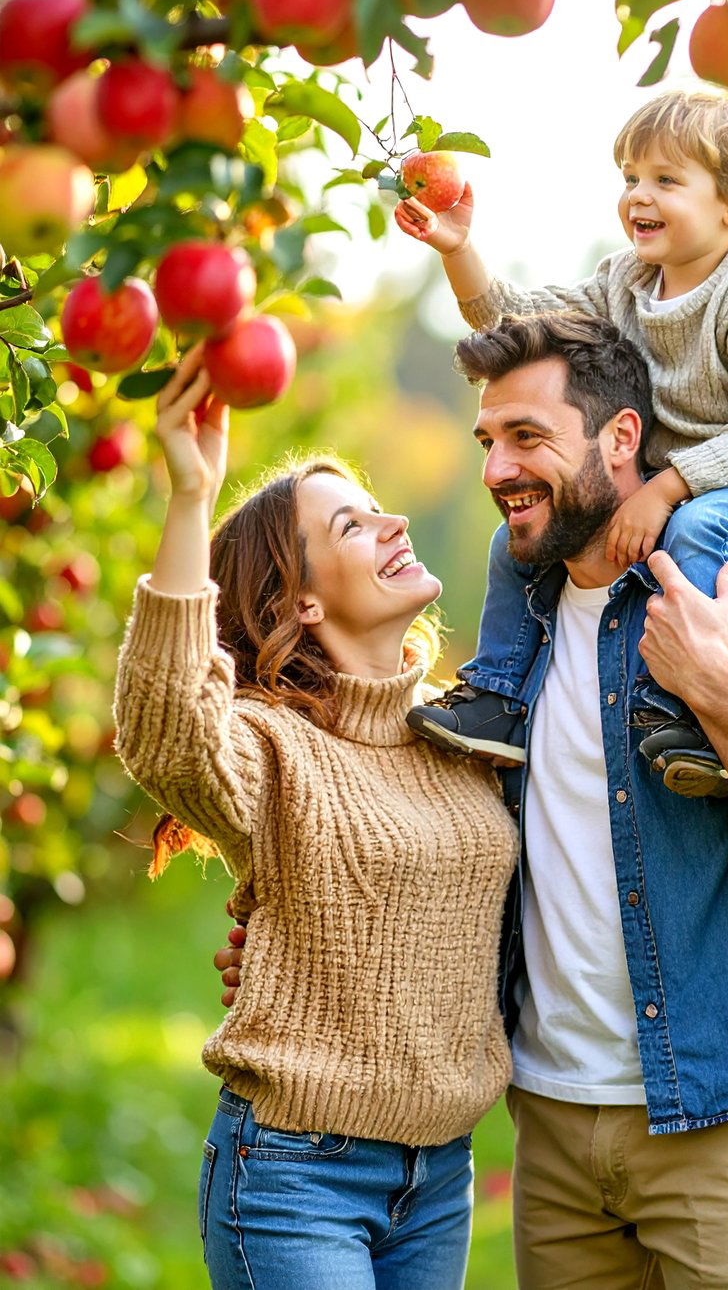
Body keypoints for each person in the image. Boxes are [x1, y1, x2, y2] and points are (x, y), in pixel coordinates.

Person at [220, 311, 728, 1288]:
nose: (498, 468)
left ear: (621, 438)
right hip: (553, 1134)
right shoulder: (510, 653)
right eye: (487, 440)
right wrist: (286, 941)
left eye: (528, 437)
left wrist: (717, 689)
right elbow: (420, 843)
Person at [113, 350, 518, 1290]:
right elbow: (169, 731)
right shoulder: (274, 749)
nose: (395, 521)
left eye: (377, 507)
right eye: (353, 523)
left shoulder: (458, 737)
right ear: (300, 597)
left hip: (440, 1174)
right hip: (298, 1176)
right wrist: (188, 496)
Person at [396, 87, 728, 794]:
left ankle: (690, 715)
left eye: (665, 179)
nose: (638, 196)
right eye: (630, 178)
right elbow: (520, 321)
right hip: (665, 484)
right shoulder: (627, 281)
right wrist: (460, 249)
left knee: (694, 534)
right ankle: (499, 701)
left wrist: (666, 487)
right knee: (513, 546)